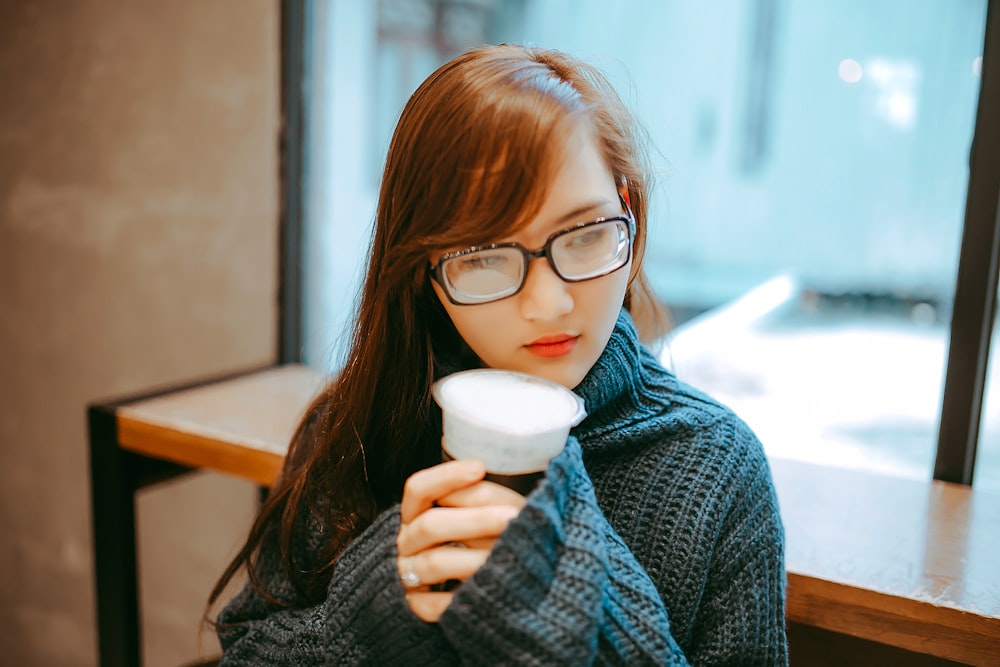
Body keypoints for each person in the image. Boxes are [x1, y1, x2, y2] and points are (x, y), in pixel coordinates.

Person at [209, 43, 788, 665]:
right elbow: (246, 651)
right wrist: (381, 609)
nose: (549, 303)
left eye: (587, 234)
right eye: (485, 257)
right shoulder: (359, 426)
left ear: (629, 210)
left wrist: (585, 610)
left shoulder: (713, 465)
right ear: (424, 273)